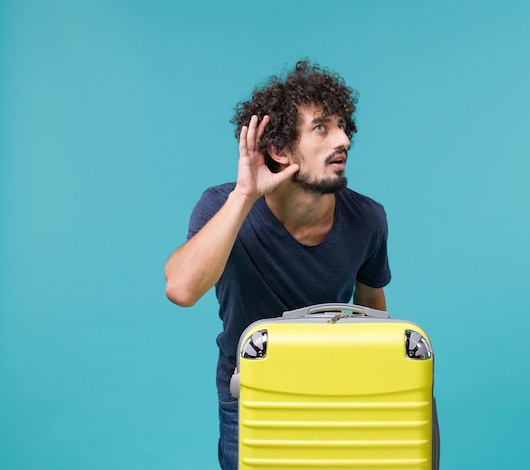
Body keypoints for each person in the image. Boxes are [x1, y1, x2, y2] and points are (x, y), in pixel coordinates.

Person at [164, 60, 393, 469]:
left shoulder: (368, 219)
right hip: (251, 395)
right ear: (279, 149)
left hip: (336, 394)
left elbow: (373, 309)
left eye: (343, 125)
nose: (343, 138)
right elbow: (181, 290)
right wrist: (243, 197)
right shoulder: (222, 206)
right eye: (321, 127)